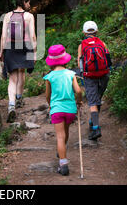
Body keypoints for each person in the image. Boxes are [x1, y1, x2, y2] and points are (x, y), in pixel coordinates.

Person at [43, 44, 83, 176]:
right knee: (65, 133)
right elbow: (78, 91)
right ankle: (62, 152)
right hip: (70, 109)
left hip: (57, 110)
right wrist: (79, 101)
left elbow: (47, 96)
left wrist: (50, 104)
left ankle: (63, 163)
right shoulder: (71, 74)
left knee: (60, 137)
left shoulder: (49, 77)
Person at [0, 0, 37, 123]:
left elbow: (3, 36)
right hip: (25, 46)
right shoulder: (29, 16)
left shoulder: (8, 16)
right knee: (22, 71)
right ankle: (19, 98)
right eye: (28, 3)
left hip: (11, 46)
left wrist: (1, 52)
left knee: (12, 77)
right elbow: (33, 36)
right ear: (24, 2)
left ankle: (11, 105)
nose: (29, 5)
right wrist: (35, 53)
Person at [77, 21, 111, 141]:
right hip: (104, 75)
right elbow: (108, 58)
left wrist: (82, 76)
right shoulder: (101, 43)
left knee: (92, 102)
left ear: (84, 32)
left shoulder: (82, 45)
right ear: (96, 31)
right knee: (97, 99)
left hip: (89, 76)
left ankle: (96, 128)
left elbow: (80, 61)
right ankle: (93, 120)